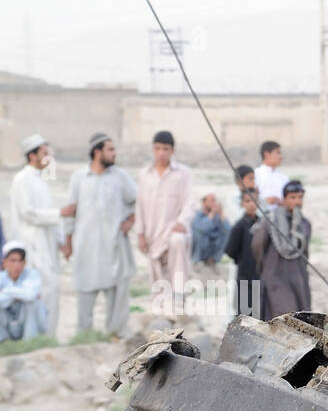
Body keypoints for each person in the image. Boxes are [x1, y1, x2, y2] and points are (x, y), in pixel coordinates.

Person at [65, 133, 136, 336]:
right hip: (86, 247)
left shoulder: (120, 176)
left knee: (116, 292)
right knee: (85, 289)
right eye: (110, 149)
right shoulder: (79, 177)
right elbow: (71, 212)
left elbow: (138, 199)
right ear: (97, 152)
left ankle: (114, 335)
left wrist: (130, 220)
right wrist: (68, 243)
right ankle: (84, 336)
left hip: (113, 247)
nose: (114, 154)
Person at [10, 133, 69, 338]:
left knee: (51, 290)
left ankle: (48, 336)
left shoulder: (40, 180)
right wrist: (60, 214)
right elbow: (28, 212)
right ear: (32, 155)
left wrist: (62, 241)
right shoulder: (22, 179)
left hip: (47, 244)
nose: (48, 156)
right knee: (43, 291)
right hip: (32, 245)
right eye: (45, 152)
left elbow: (47, 213)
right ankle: (38, 337)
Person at [137, 130, 192, 314]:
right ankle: (160, 308)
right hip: (152, 231)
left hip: (173, 228)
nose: (161, 153)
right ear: (153, 149)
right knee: (157, 270)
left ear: (172, 151)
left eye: (165, 149)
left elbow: (189, 201)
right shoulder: (145, 174)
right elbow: (140, 205)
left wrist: (182, 222)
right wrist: (140, 234)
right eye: (158, 149)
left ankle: (179, 297)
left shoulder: (182, 173)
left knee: (178, 243)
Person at [252, 180, 311, 317]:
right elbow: (257, 246)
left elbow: (305, 252)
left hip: (297, 277)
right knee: (283, 315)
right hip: (275, 276)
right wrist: (267, 268)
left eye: (300, 197)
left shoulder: (304, 224)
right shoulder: (270, 220)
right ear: (284, 199)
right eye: (293, 197)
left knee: (301, 317)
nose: (297, 201)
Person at [224, 189, 261, 318]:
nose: (252, 204)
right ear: (242, 204)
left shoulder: (262, 225)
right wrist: (243, 259)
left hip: (260, 276)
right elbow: (230, 250)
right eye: (248, 201)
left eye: (255, 200)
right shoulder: (239, 226)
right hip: (245, 276)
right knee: (244, 313)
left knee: (259, 314)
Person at [0, 242, 47, 340]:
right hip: (7, 319)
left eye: (20, 261)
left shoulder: (32, 274)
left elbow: (30, 295)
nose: (17, 265)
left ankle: (30, 341)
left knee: (33, 303)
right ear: (4, 262)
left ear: (24, 263)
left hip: (25, 319)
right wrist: (20, 295)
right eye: (13, 261)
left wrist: (5, 291)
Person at [191, 194, 230, 266]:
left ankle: (213, 258)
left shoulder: (217, 216)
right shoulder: (197, 214)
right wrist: (212, 214)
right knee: (198, 232)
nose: (214, 203)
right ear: (203, 202)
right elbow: (201, 227)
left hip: (212, 246)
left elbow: (227, 230)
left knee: (225, 234)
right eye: (211, 201)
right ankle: (196, 259)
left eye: (215, 201)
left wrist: (221, 213)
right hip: (199, 248)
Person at [254, 141, 287, 206]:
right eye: (278, 153)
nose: (281, 157)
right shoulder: (254, 175)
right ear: (267, 154)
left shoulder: (284, 178)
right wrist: (266, 201)